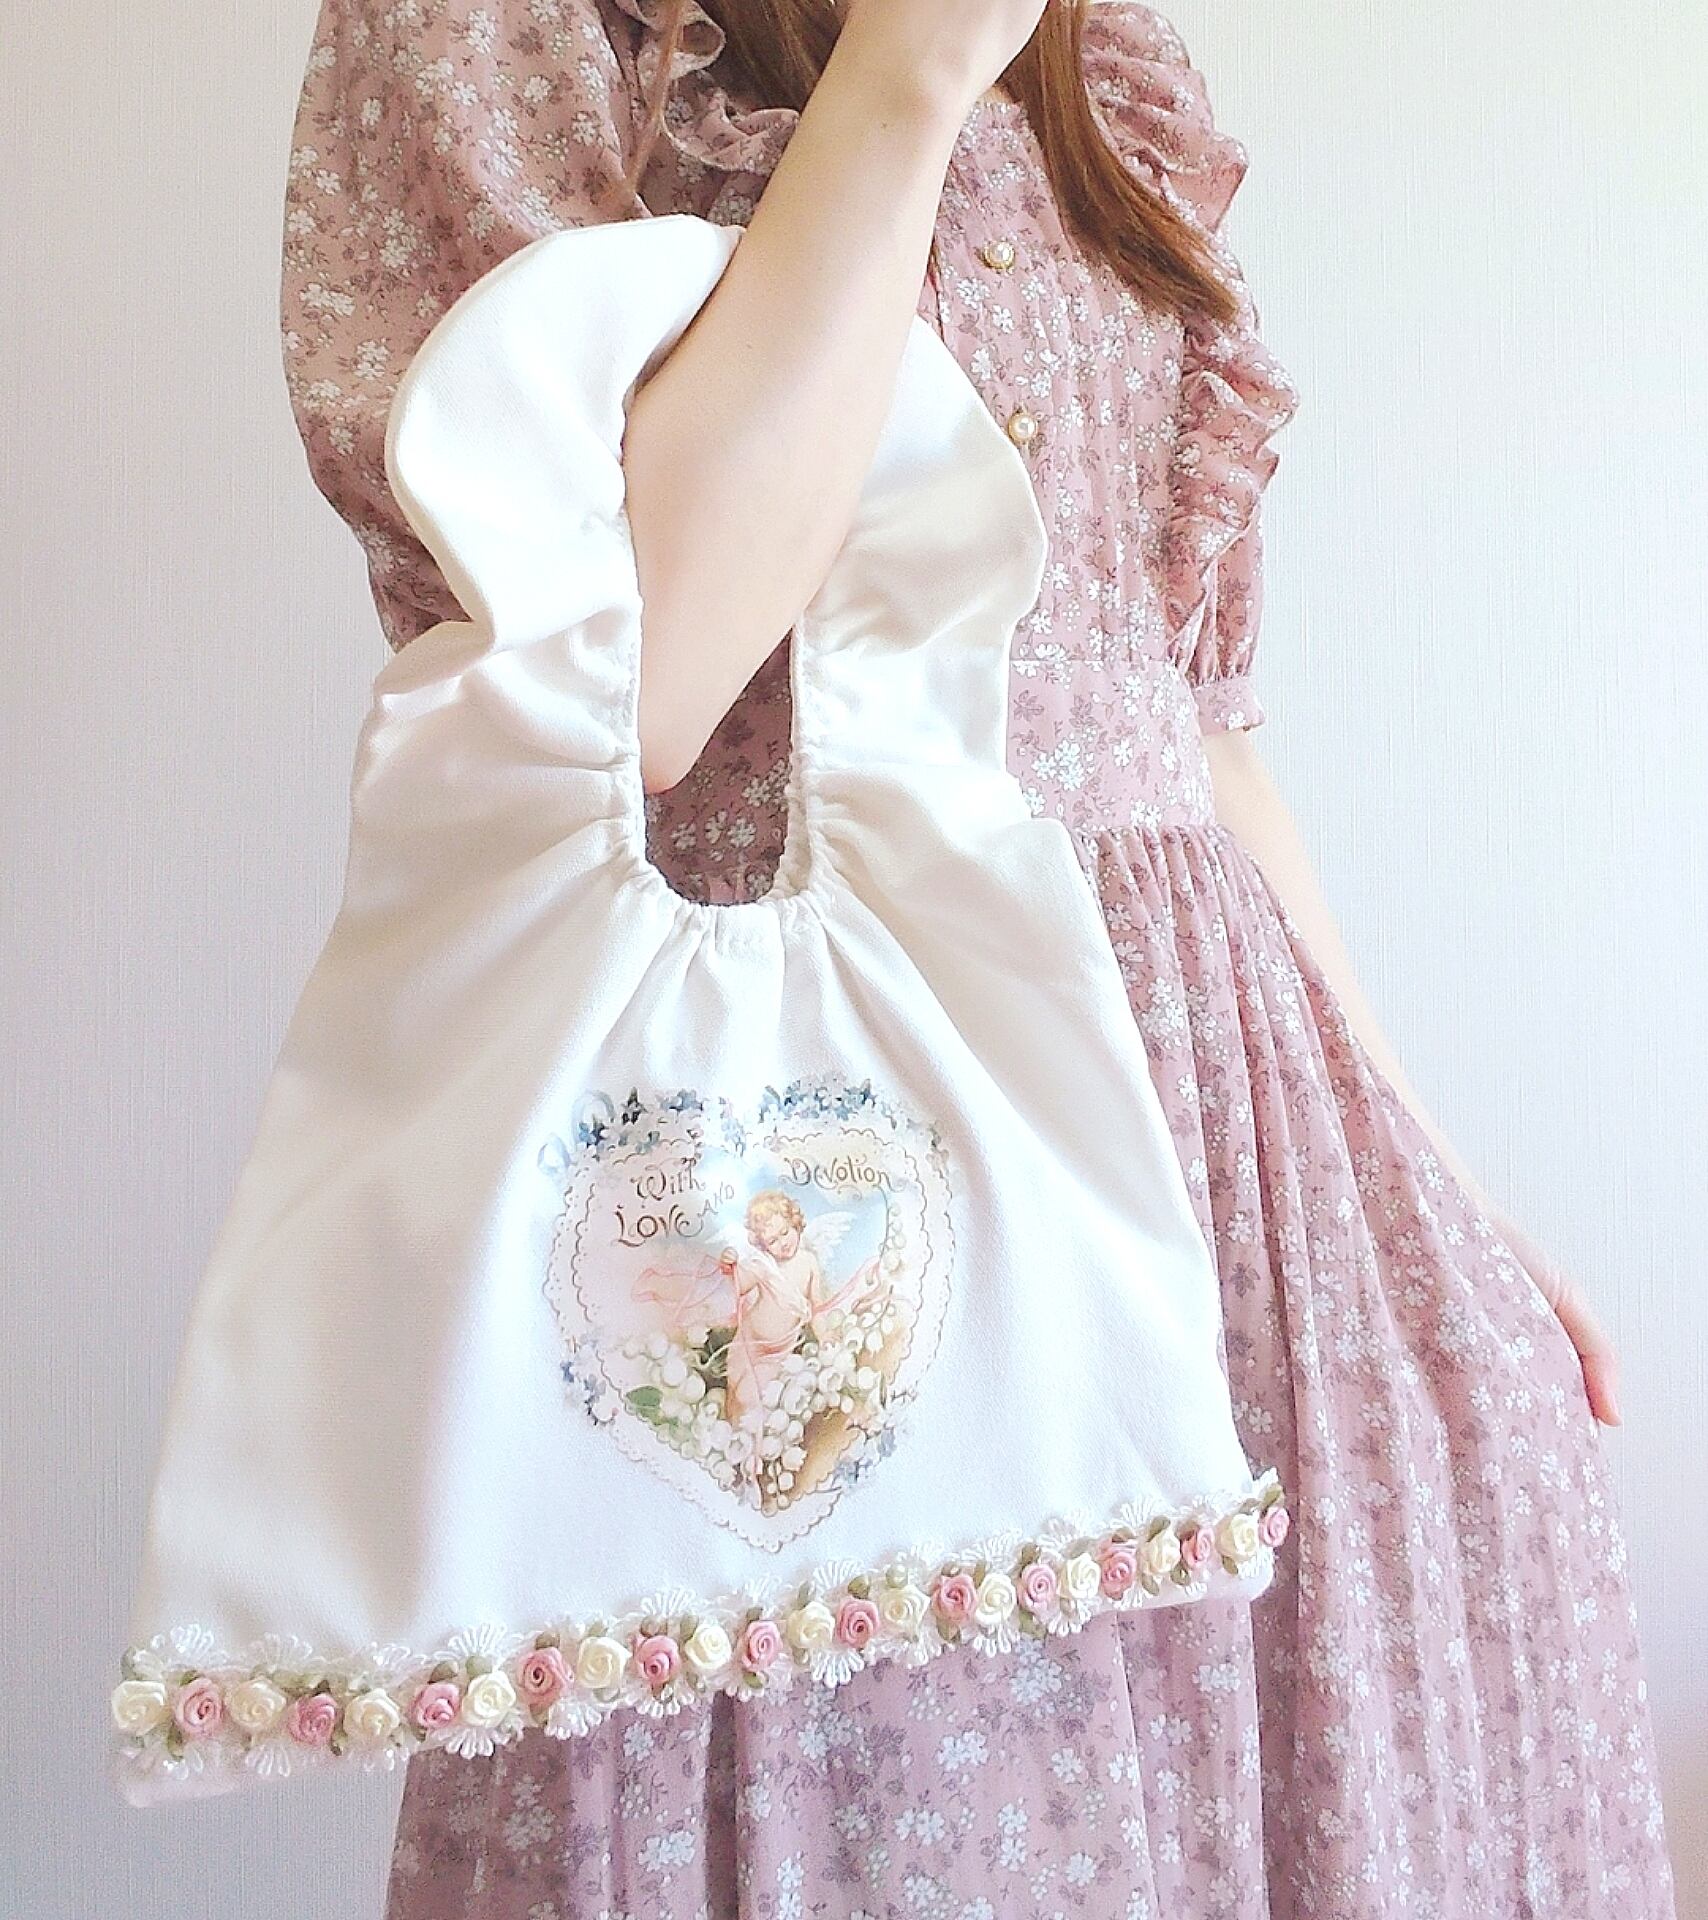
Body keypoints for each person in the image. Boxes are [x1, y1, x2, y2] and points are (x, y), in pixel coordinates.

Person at [279, 1, 1678, 1913]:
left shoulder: (1103, 60)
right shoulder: (515, 31)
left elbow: (1195, 730)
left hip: (1220, 1142)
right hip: (817, 1182)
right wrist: (910, 74)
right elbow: (640, 687)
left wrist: (1431, 1177)